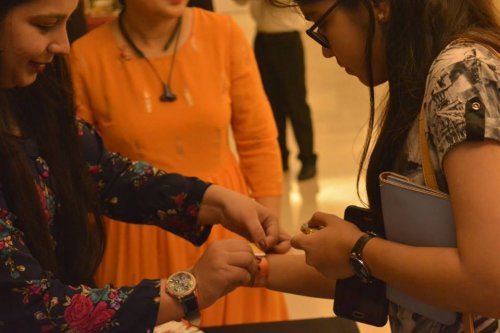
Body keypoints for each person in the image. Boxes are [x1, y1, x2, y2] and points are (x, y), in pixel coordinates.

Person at [0, 0, 285, 331]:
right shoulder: (84, 57)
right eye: (45, 25)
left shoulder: (31, 91)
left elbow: (102, 172)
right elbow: (30, 304)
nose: (62, 45)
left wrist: (213, 199)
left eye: (66, 23)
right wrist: (186, 291)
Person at [263, 0, 500, 332]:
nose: (326, 52)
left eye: (322, 25)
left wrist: (357, 248)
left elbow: (489, 280)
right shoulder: (429, 74)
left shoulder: (460, 75)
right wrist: (259, 270)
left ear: (378, 7)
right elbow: (408, 274)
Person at [235, 0, 317, 180]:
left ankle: (308, 158)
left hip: (287, 39)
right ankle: (281, 157)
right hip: (263, 39)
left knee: (296, 103)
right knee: (271, 103)